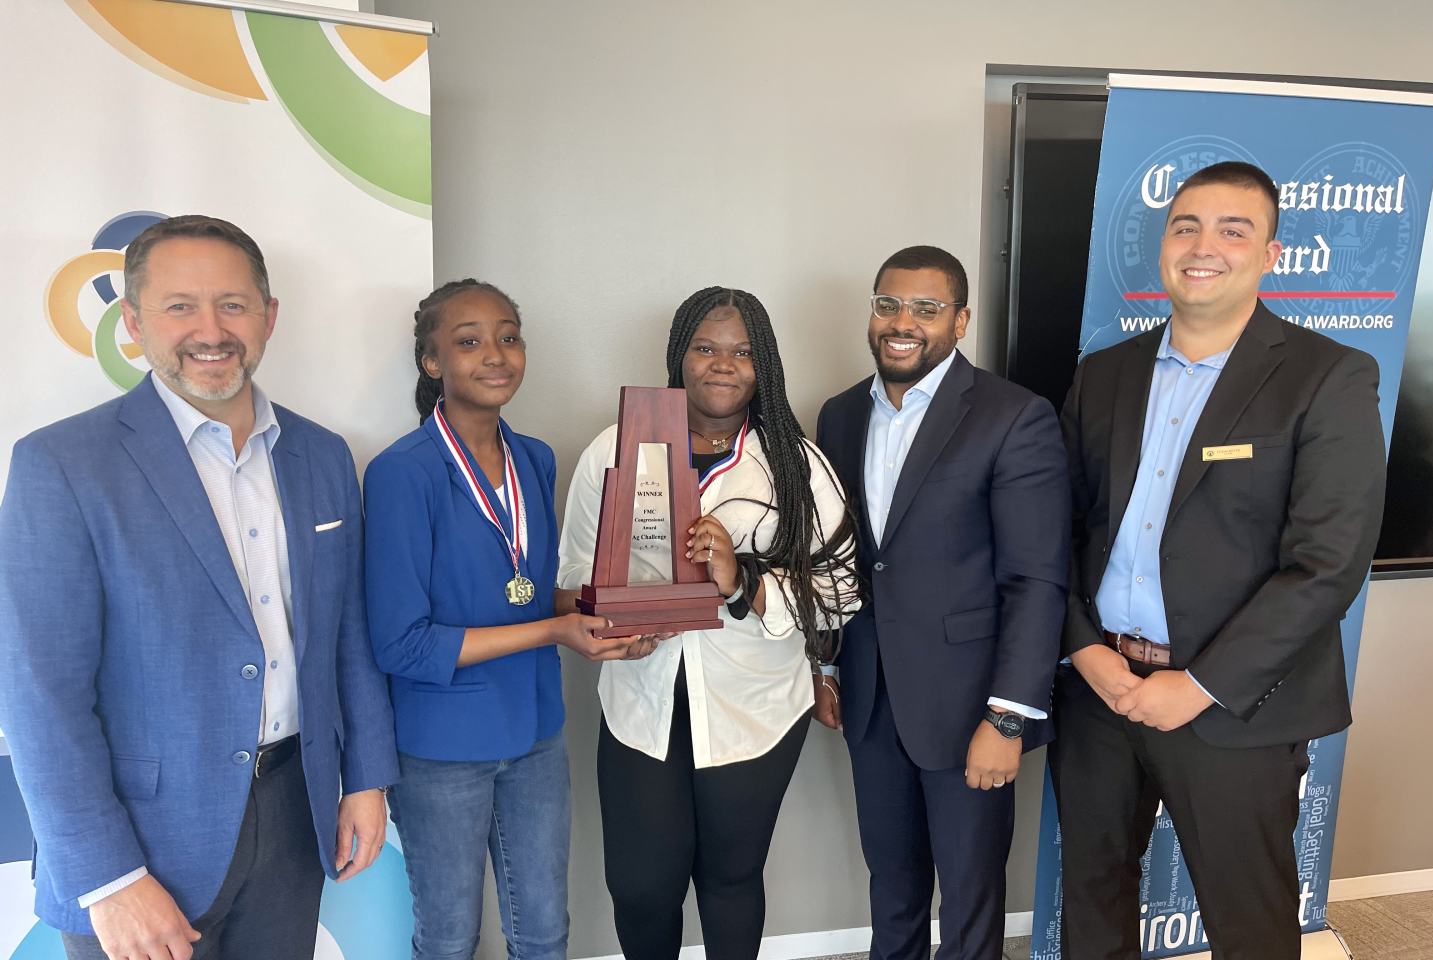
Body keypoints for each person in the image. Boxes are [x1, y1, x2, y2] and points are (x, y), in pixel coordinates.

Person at [0, 215, 399, 960]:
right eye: (180, 305)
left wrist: (366, 779)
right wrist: (109, 878)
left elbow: (349, 636)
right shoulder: (61, 466)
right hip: (139, 844)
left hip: (293, 816)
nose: (210, 329)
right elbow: (39, 694)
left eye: (233, 304)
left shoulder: (322, 456)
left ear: (268, 316)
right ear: (134, 322)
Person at [1052, 161, 1387, 960]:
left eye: (1233, 230)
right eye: (1186, 226)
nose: (1204, 246)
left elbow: (1328, 564)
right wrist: (1082, 647)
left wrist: (1197, 686)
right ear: (1165, 246)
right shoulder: (1104, 376)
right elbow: (1056, 533)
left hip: (1237, 708)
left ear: (1271, 253)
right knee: (1092, 899)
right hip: (1102, 692)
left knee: (1250, 923)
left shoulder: (1327, 376)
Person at [556, 286, 860, 960]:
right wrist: (609, 626)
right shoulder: (614, 449)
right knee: (639, 888)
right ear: (678, 355)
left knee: (728, 878)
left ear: (765, 366)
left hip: (753, 707)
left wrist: (744, 579)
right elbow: (569, 583)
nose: (723, 364)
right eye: (705, 347)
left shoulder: (796, 465)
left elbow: (840, 593)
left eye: (743, 351)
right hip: (642, 703)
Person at [813, 245, 1070, 960]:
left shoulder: (1014, 416)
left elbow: (1037, 580)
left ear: (960, 321)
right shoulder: (839, 416)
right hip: (871, 700)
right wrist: (829, 668)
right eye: (888, 304)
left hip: (970, 708)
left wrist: (1008, 717)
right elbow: (836, 559)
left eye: (927, 309)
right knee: (890, 886)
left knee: (969, 896)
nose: (903, 323)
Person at [363, 279, 632, 960]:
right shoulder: (404, 473)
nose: (495, 354)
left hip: (535, 733)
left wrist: (609, 606)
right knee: (450, 938)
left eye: (508, 336)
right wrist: (555, 631)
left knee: (544, 932)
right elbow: (402, 644)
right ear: (433, 364)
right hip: (442, 748)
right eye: (469, 340)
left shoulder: (535, 458)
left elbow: (528, 594)